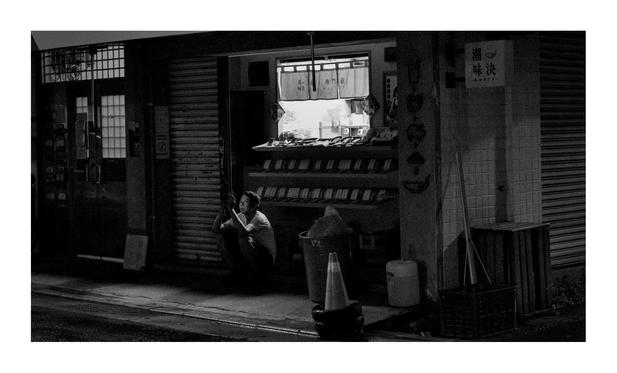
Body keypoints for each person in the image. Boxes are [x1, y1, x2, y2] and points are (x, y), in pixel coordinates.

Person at [212, 191, 276, 288]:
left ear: (254, 206)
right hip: (250, 256)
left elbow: (244, 232)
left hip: (265, 260)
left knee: (243, 238)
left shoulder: (259, 218)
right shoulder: (241, 216)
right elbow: (216, 229)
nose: (241, 205)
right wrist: (222, 209)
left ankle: (258, 275)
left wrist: (231, 209)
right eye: (240, 202)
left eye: (245, 203)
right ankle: (237, 272)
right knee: (220, 235)